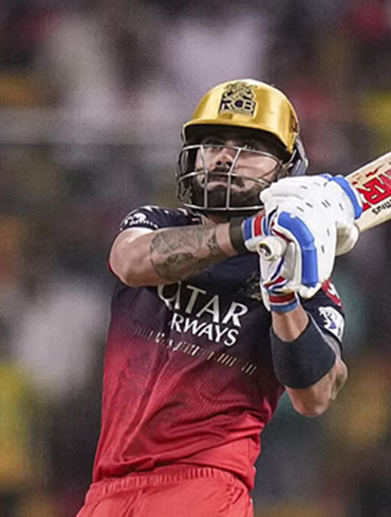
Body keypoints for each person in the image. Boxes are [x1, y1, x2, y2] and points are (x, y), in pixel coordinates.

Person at [76, 78, 362, 517]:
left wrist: (283, 296)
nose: (225, 157)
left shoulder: (310, 286)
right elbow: (129, 261)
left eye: (249, 148)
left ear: (285, 171)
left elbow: (315, 396)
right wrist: (251, 233)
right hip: (107, 492)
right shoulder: (157, 223)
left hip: (203, 491)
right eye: (213, 144)